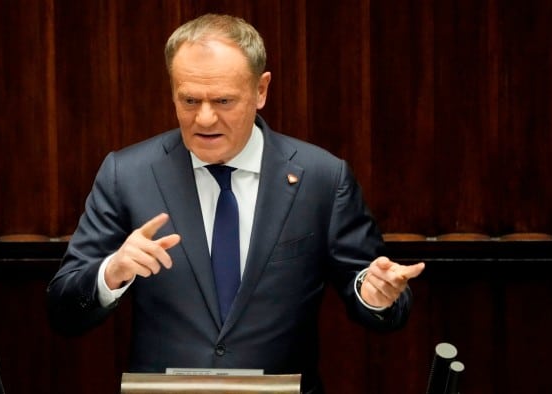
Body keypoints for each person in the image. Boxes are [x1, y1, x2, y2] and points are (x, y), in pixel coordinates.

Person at [47, 13, 425, 394]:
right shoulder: (127, 174)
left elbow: (373, 287)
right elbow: (63, 310)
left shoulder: (321, 177)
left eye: (224, 100)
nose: (205, 118)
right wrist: (111, 273)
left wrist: (375, 294)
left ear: (261, 90)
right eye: (189, 100)